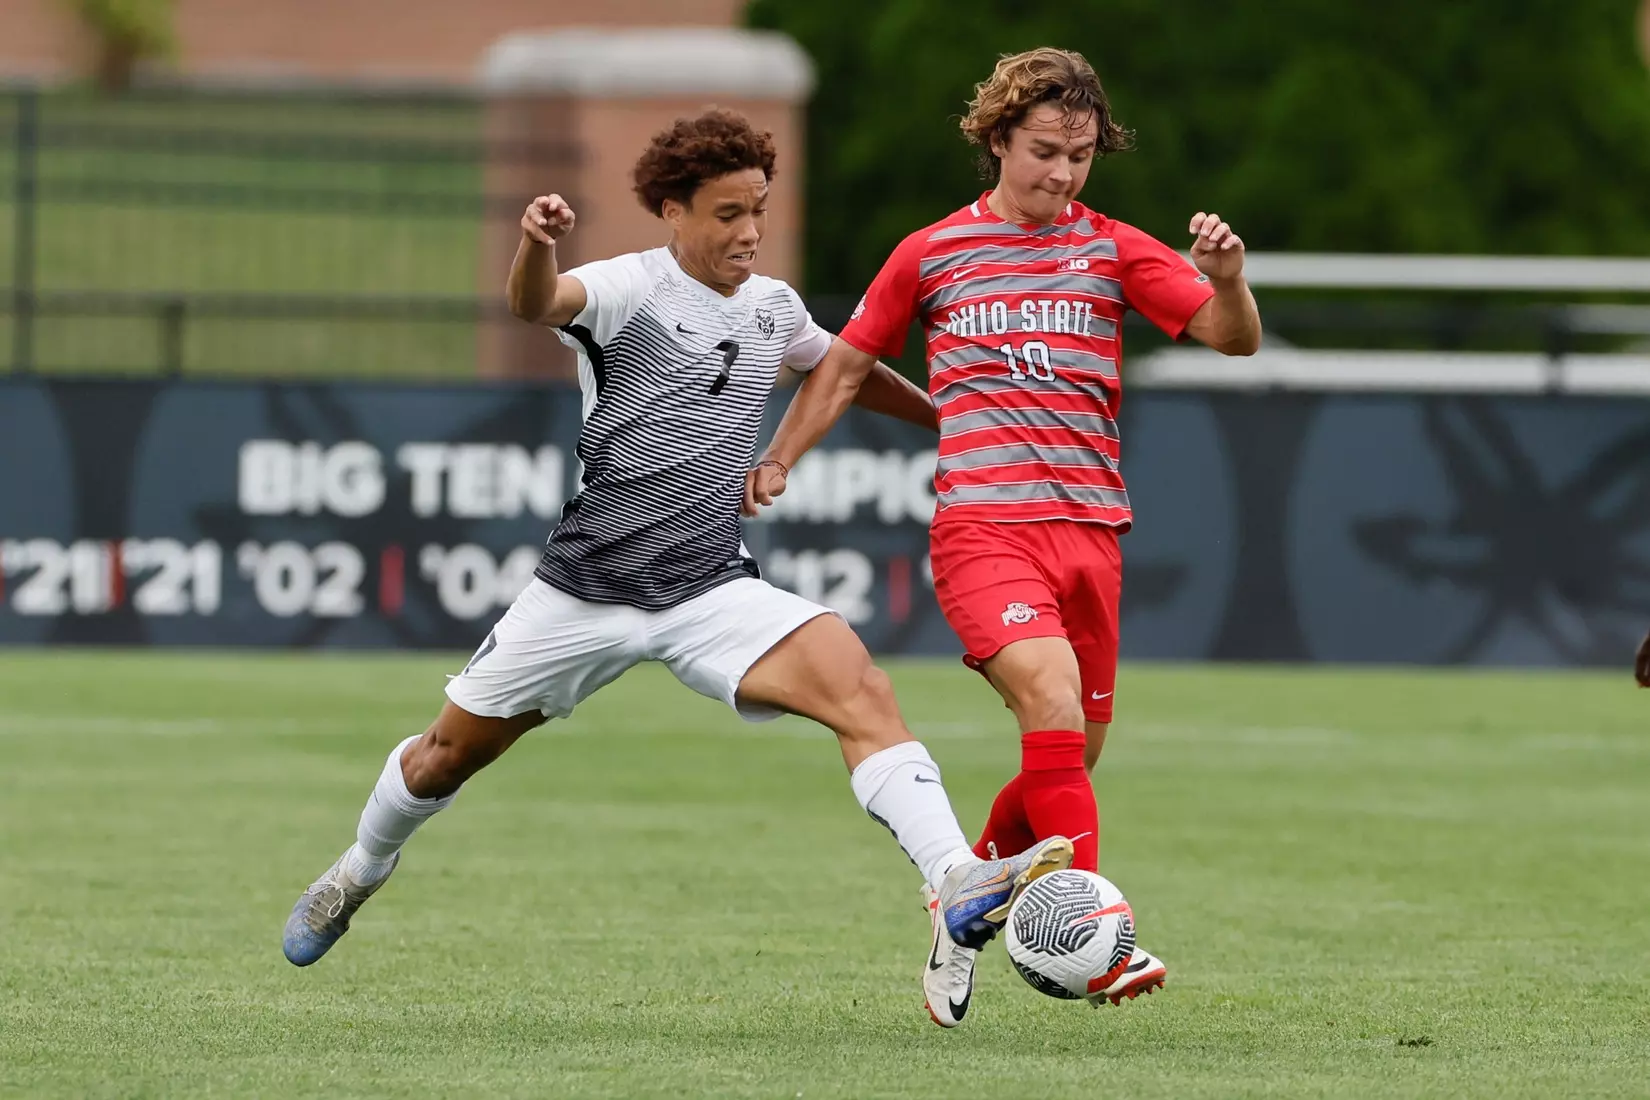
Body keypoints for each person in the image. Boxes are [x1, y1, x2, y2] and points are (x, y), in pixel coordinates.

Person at [281, 109, 1073, 985]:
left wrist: (951, 415)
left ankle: (955, 878)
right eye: (727, 214)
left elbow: (842, 370)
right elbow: (535, 303)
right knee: (443, 757)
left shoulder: (774, 307)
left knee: (859, 685)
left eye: (758, 211)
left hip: (707, 591)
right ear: (674, 211)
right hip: (583, 593)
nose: (750, 232)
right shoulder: (630, 288)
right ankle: (357, 871)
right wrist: (537, 243)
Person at [745, 48, 1263, 1026]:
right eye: (1042, 151)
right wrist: (780, 457)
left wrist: (1228, 282)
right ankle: (1094, 935)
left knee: (1066, 756)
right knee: (1053, 700)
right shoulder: (930, 252)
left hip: (1093, 534)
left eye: (1079, 155)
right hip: (985, 530)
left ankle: (961, 900)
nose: (1062, 174)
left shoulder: (1111, 248)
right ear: (995, 140)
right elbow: (847, 365)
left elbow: (1232, 338)